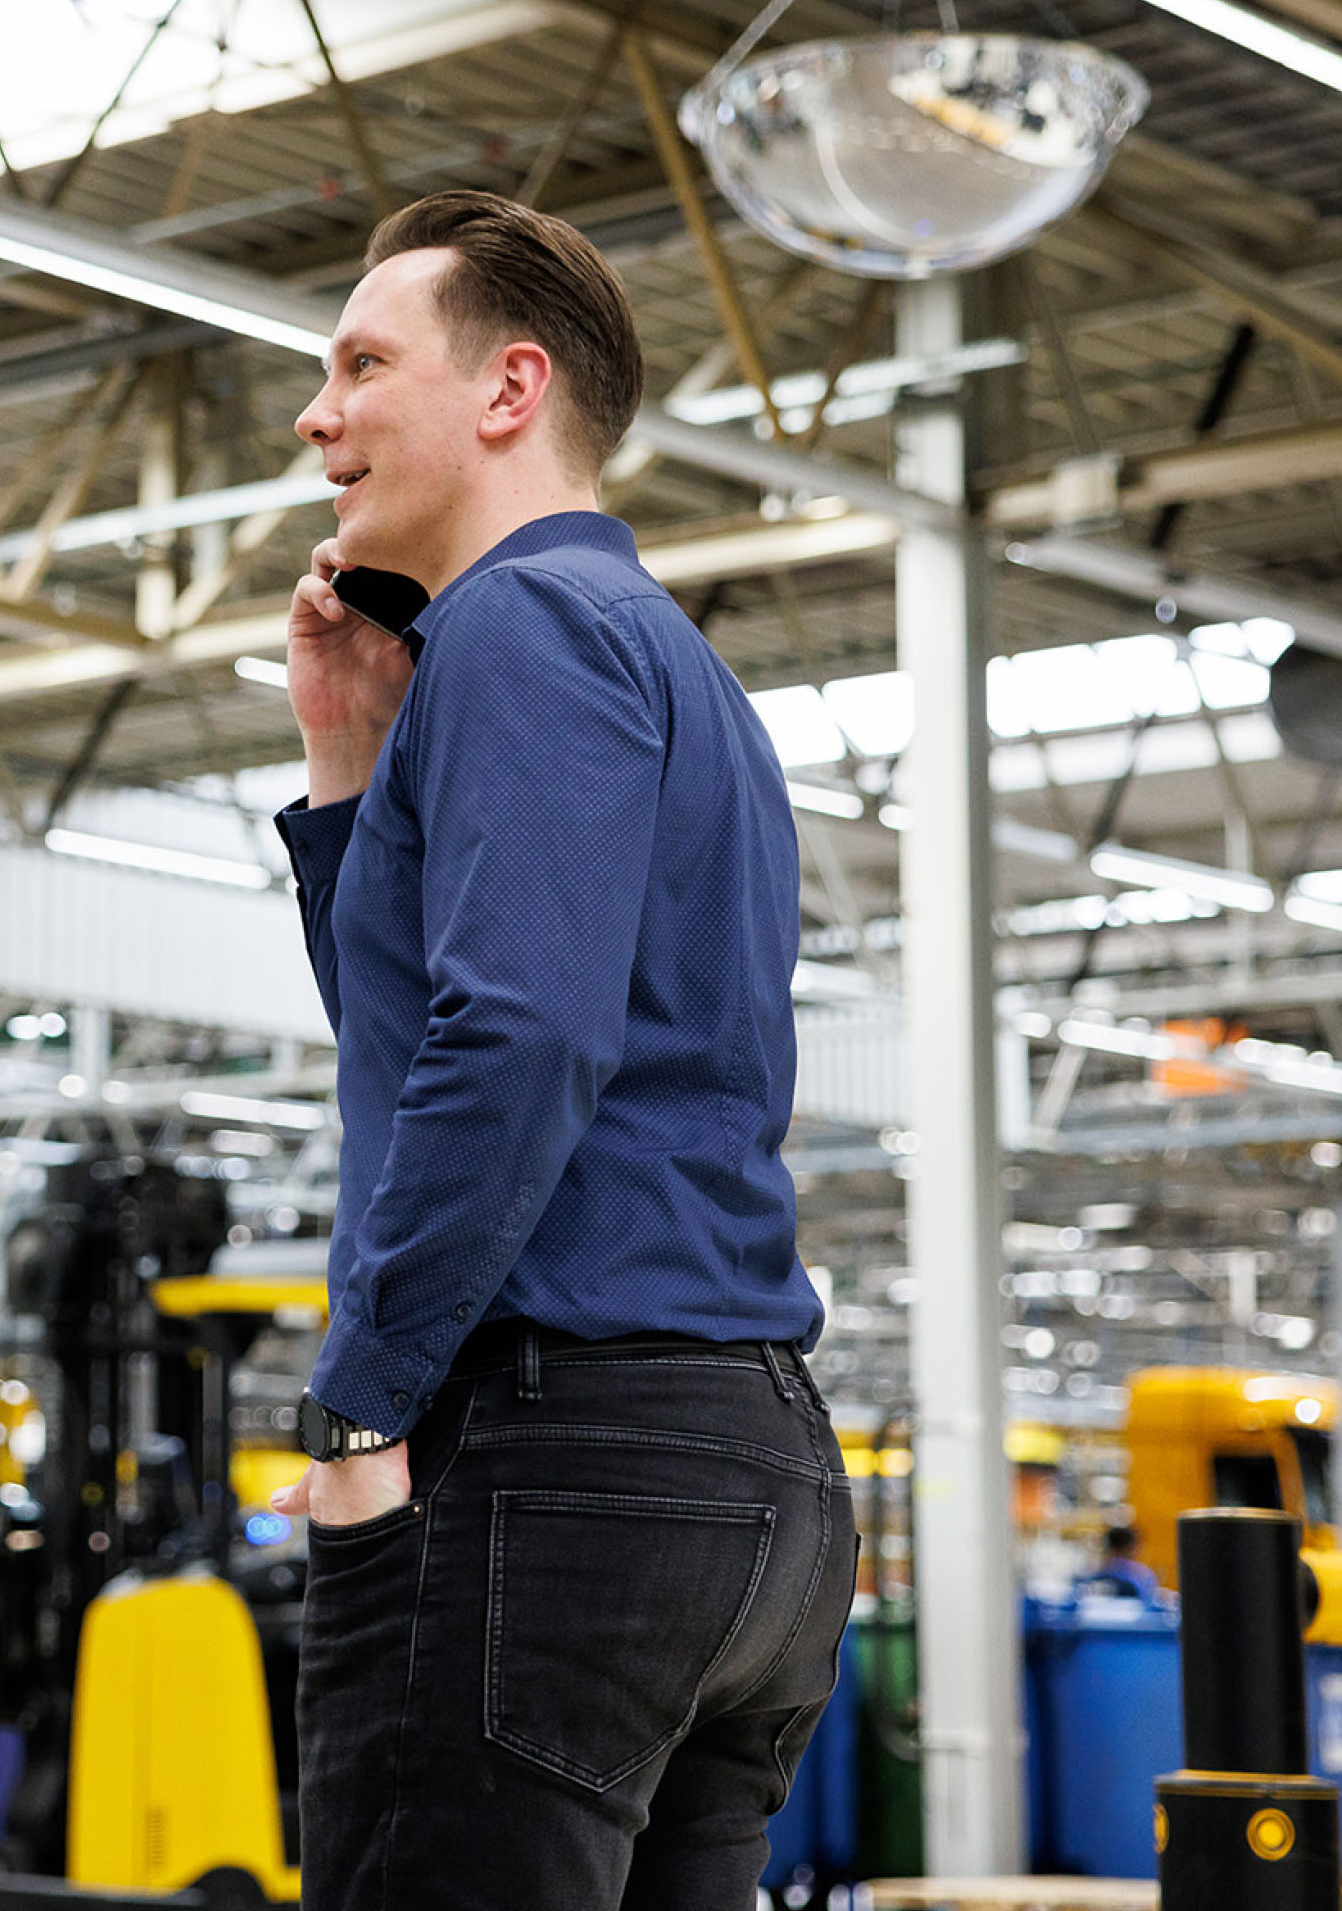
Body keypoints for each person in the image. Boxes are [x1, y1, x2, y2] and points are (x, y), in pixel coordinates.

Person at [269, 191, 857, 1911]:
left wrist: (361, 1395)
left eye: (363, 363)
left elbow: (517, 1035)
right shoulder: (661, 662)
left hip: (558, 1459)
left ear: (510, 390)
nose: (319, 415)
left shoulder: (522, 631)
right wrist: (348, 768)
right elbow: (425, 1027)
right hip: (745, 1476)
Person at [1080, 1522, 1166, 1601]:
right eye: (1137, 1547)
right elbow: (1148, 1600)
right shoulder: (1142, 1574)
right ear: (1130, 1547)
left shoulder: (1097, 1569)